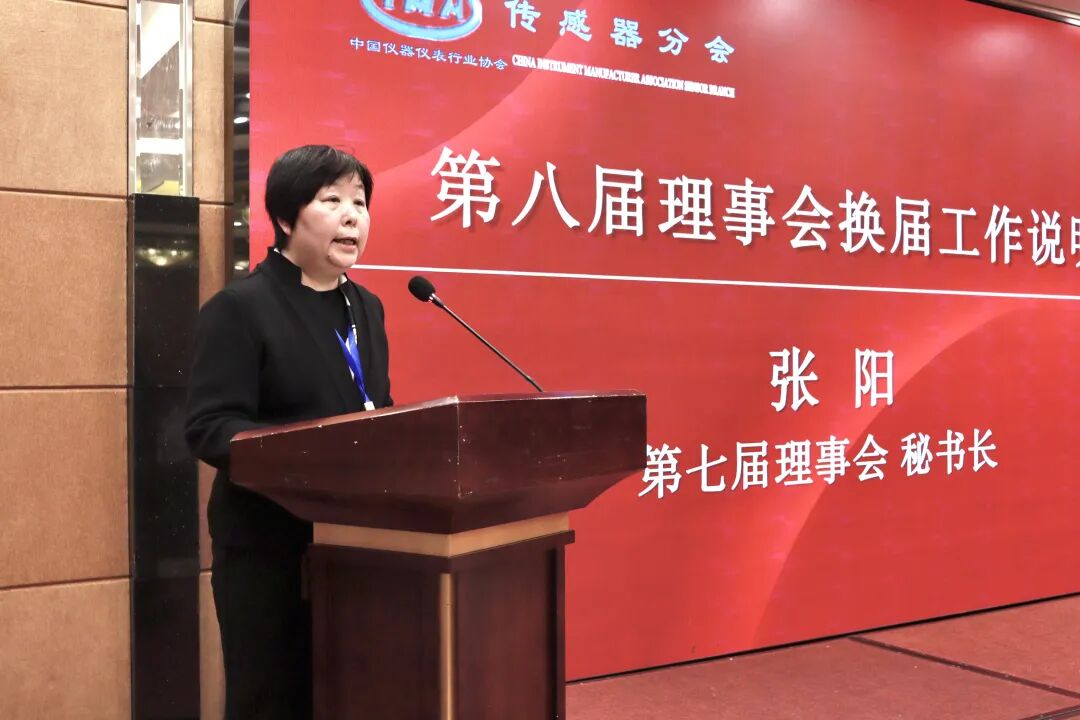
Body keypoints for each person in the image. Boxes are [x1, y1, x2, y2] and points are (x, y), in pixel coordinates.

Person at [185, 145, 392, 719]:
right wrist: (305, 456)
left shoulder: (367, 307)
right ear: (284, 217)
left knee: (347, 695)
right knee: (273, 699)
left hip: (355, 540)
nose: (352, 216)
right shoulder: (240, 308)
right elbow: (210, 426)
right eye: (332, 201)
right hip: (269, 547)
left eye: (360, 203)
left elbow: (376, 406)